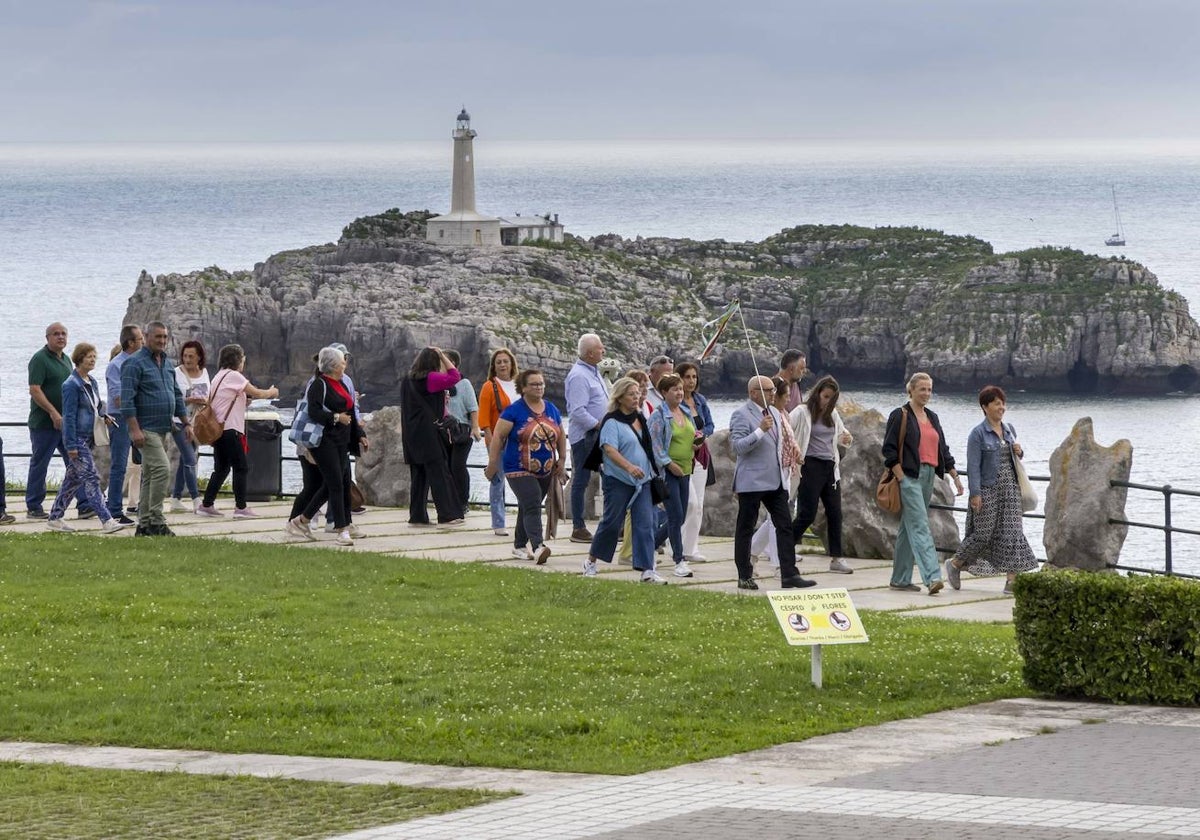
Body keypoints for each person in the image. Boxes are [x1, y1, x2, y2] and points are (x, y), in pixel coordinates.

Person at [945, 386, 1038, 595]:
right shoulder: (977, 434)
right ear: (985, 407)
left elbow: (1015, 458)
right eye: (997, 403)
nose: (1001, 407)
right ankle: (956, 564)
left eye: (1003, 403)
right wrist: (975, 494)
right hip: (988, 490)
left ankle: (1011, 582)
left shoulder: (1009, 429)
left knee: (1013, 532)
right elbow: (973, 467)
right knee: (983, 534)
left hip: (1011, 490)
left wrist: (1020, 451)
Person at [881, 372, 963, 595]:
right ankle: (933, 577)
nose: (926, 393)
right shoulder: (900, 415)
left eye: (929, 389)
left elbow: (942, 449)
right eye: (922, 389)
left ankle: (899, 579)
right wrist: (901, 477)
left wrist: (955, 476)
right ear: (911, 390)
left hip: (929, 477)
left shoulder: (933, 417)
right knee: (920, 525)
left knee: (909, 530)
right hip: (909, 477)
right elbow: (888, 449)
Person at [731, 375, 815, 590]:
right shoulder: (741, 415)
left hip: (775, 481)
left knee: (785, 525)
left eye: (772, 390)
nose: (772, 393)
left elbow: (779, 446)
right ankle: (744, 574)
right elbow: (738, 447)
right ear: (753, 393)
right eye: (767, 390)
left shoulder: (775, 414)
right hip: (751, 481)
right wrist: (760, 431)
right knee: (746, 527)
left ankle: (789, 573)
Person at [582, 377, 667, 584]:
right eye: (631, 394)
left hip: (643, 481)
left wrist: (654, 471)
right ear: (620, 398)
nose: (636, 397)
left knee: (645, 524)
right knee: (611, 522)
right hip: (618, 480)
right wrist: (629, 467)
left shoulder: (640, 417)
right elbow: (609, 449)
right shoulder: (611, 421)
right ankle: (591, 561)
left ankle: (647, 570)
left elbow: (648, 446)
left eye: (638, 393)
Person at [484, 368, 566, 564]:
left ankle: (519, 545)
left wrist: (562, 460)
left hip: (545, 468)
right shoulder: (513, 411)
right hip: (517, 467)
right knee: (532, 502)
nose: (539, 387)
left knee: (527, 505)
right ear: (523, 388)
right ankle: (538, 546)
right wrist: (493, 464)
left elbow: (561, 434)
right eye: (534, 384)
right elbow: (498, 437)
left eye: (541, 384)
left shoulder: (552, 408)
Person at [284, 346, 365, 544]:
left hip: (341, 442)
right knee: (335, 483)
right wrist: (336, 418)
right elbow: (314, 412)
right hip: (323, 441)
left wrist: (359, 434)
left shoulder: (343, 384)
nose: (345, 364)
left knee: (338, 483)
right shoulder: (319, 385)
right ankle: (341, 529)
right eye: (342, 362)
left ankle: (302, 521)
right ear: (333, 366)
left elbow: (351, 413)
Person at [45, 343, 125, 534]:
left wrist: (104, 416)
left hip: (89, 438)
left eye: (94, 356)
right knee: (91, 478)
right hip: (78, 439)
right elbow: (69, 416)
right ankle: (107, 520)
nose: (92, 360)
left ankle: (55, 517)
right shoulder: (71, 385)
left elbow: (96, 406)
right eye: (88, 356)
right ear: (79, 358)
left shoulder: (92, 382)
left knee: (72, 480)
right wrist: (70, 444)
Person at [121, 321, 190, 537]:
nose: (162, 341)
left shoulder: (167, 363)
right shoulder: (134, 363)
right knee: (162, 469)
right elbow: (127, 399)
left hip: (163, 428)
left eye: (165, 337)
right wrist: (134, 430)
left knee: (151, 474)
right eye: (157, 336)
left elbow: (176, 394)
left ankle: (144, 524)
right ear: (146, 336)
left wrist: (186, 422)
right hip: (145, 428)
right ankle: (157, 520)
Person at [195, 343, 279, 519]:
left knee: (222, 469)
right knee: (241, 467)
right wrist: (272, 392)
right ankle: (241, 508)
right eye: (243, 359)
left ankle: (207, 504)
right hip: (231, 430)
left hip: (219, 430)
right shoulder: (235, 376)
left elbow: (226, 400)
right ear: (238, 360)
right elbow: (258, 393)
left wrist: (244, 400)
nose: (243, 363)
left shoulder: (219, 376)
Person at [791, 375, 855, 574]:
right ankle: (785, 545)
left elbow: (842, 436)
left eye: (831, 398)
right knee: (807, 514)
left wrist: (846, 438)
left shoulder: (833, 414)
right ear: (818, 393)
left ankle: (837, 558)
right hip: (810, 466)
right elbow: (787, 430)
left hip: (830, 467)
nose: (827, 401)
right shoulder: (802, 412)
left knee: (835, 513)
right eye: (825, 396)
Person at [26, 322, 89, 519]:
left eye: (63, 334)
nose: (60, 337)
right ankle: (34, 506)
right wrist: (53, 413)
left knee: (75, 461)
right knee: (40, 463)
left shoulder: (67, 360)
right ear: (48, 338)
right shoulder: (39, 359)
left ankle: (85, 504)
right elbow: (35, 389)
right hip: (44, 424)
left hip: (66, 424)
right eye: (56, 334)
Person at [401, 346, 464, 526]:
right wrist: (443, 355)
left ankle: (418, 516)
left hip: (411, 433)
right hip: (428, 433)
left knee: (419, 475)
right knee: (439, 472)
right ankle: (447, 514)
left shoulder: (408, 380)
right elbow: (455, 376)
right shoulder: (431, 378)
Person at [648, 372, 702, 578]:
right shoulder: (659, 415)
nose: (680, 392)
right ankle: (679, 560)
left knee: (678, 517)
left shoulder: (686, 412)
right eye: (675, 389)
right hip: (669, 473)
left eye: (681, 389)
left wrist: (697, 443)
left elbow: (691, 434)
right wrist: (669, 464)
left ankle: (648, 546)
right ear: (664, 392)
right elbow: (654, 444)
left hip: (687, 470)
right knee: (676, 515)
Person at [748, 376, 803, 569]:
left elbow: (789, 440)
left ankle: (752, 551)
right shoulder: (769, 417)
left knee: (776, 517)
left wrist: (796, 452)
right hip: (776, 470)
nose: (789, 399)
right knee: (777, 518)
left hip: (787, 469)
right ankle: (780, 562)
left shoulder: (783, 415)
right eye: (786, 395)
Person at [564, 333, 608, 543]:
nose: (604, 350)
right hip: (585, 437)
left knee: (608, 476)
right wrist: (599, 424)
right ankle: (578, 527)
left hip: (598, 435)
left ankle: (610, 522)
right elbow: (578, 412)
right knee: (581, 480)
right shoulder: (579, 376)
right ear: (590, 353)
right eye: (600, 348)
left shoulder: (593, 371)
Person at [477, 348, 519, 536]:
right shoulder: (489, 386)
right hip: (497, 439)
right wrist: (489, 438)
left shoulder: (519, 384)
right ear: (494, 366)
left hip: (518, 440)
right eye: (498, 362)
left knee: (521, 479)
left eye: (505, 361)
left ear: (512, 364)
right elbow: (483, 417)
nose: (502, 364)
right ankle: (498, 522)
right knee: (497, 480)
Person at [677, 361, 714, 561]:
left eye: (694, 377)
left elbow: (710, 424)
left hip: (700, 457)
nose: (691, 381)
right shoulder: (677, 402)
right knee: (688, 502)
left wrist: (701, 436)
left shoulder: (700, 400)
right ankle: (677, 543)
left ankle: (691, 548)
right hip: (682, 457)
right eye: (687, 377)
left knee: (698, 503)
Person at [105, 325, 143, 524]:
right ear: (130, 343)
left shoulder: (139, 363)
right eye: (140, 340)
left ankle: (142, 505)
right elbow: (118, 397)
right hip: (120, 418)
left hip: (138, 417)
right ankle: (114, 510)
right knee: (120, 464)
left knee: (143, 463)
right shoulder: (116, 365)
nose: (142, 343)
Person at [169, 339, 209, 513]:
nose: (188, 359)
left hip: (197, 421)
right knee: (190, 459)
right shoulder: (176, 373)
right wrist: (190, 399)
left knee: (186, 459)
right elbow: (173, 399)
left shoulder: (204, 373)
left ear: (199, 357)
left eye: (191, 356)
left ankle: (176, 498)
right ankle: (196, 499)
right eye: (185, 356)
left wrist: (204, 401)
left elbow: (210, 393)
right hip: (179, 421)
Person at [444, 348, 482, 519]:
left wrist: (475, 428)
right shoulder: (440, 383)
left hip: (461, 430)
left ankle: (462, 501)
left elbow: (473, 408)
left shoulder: (463, 383)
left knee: (457, 466)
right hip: (445, 431)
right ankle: (450, 501)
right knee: (446, 467)